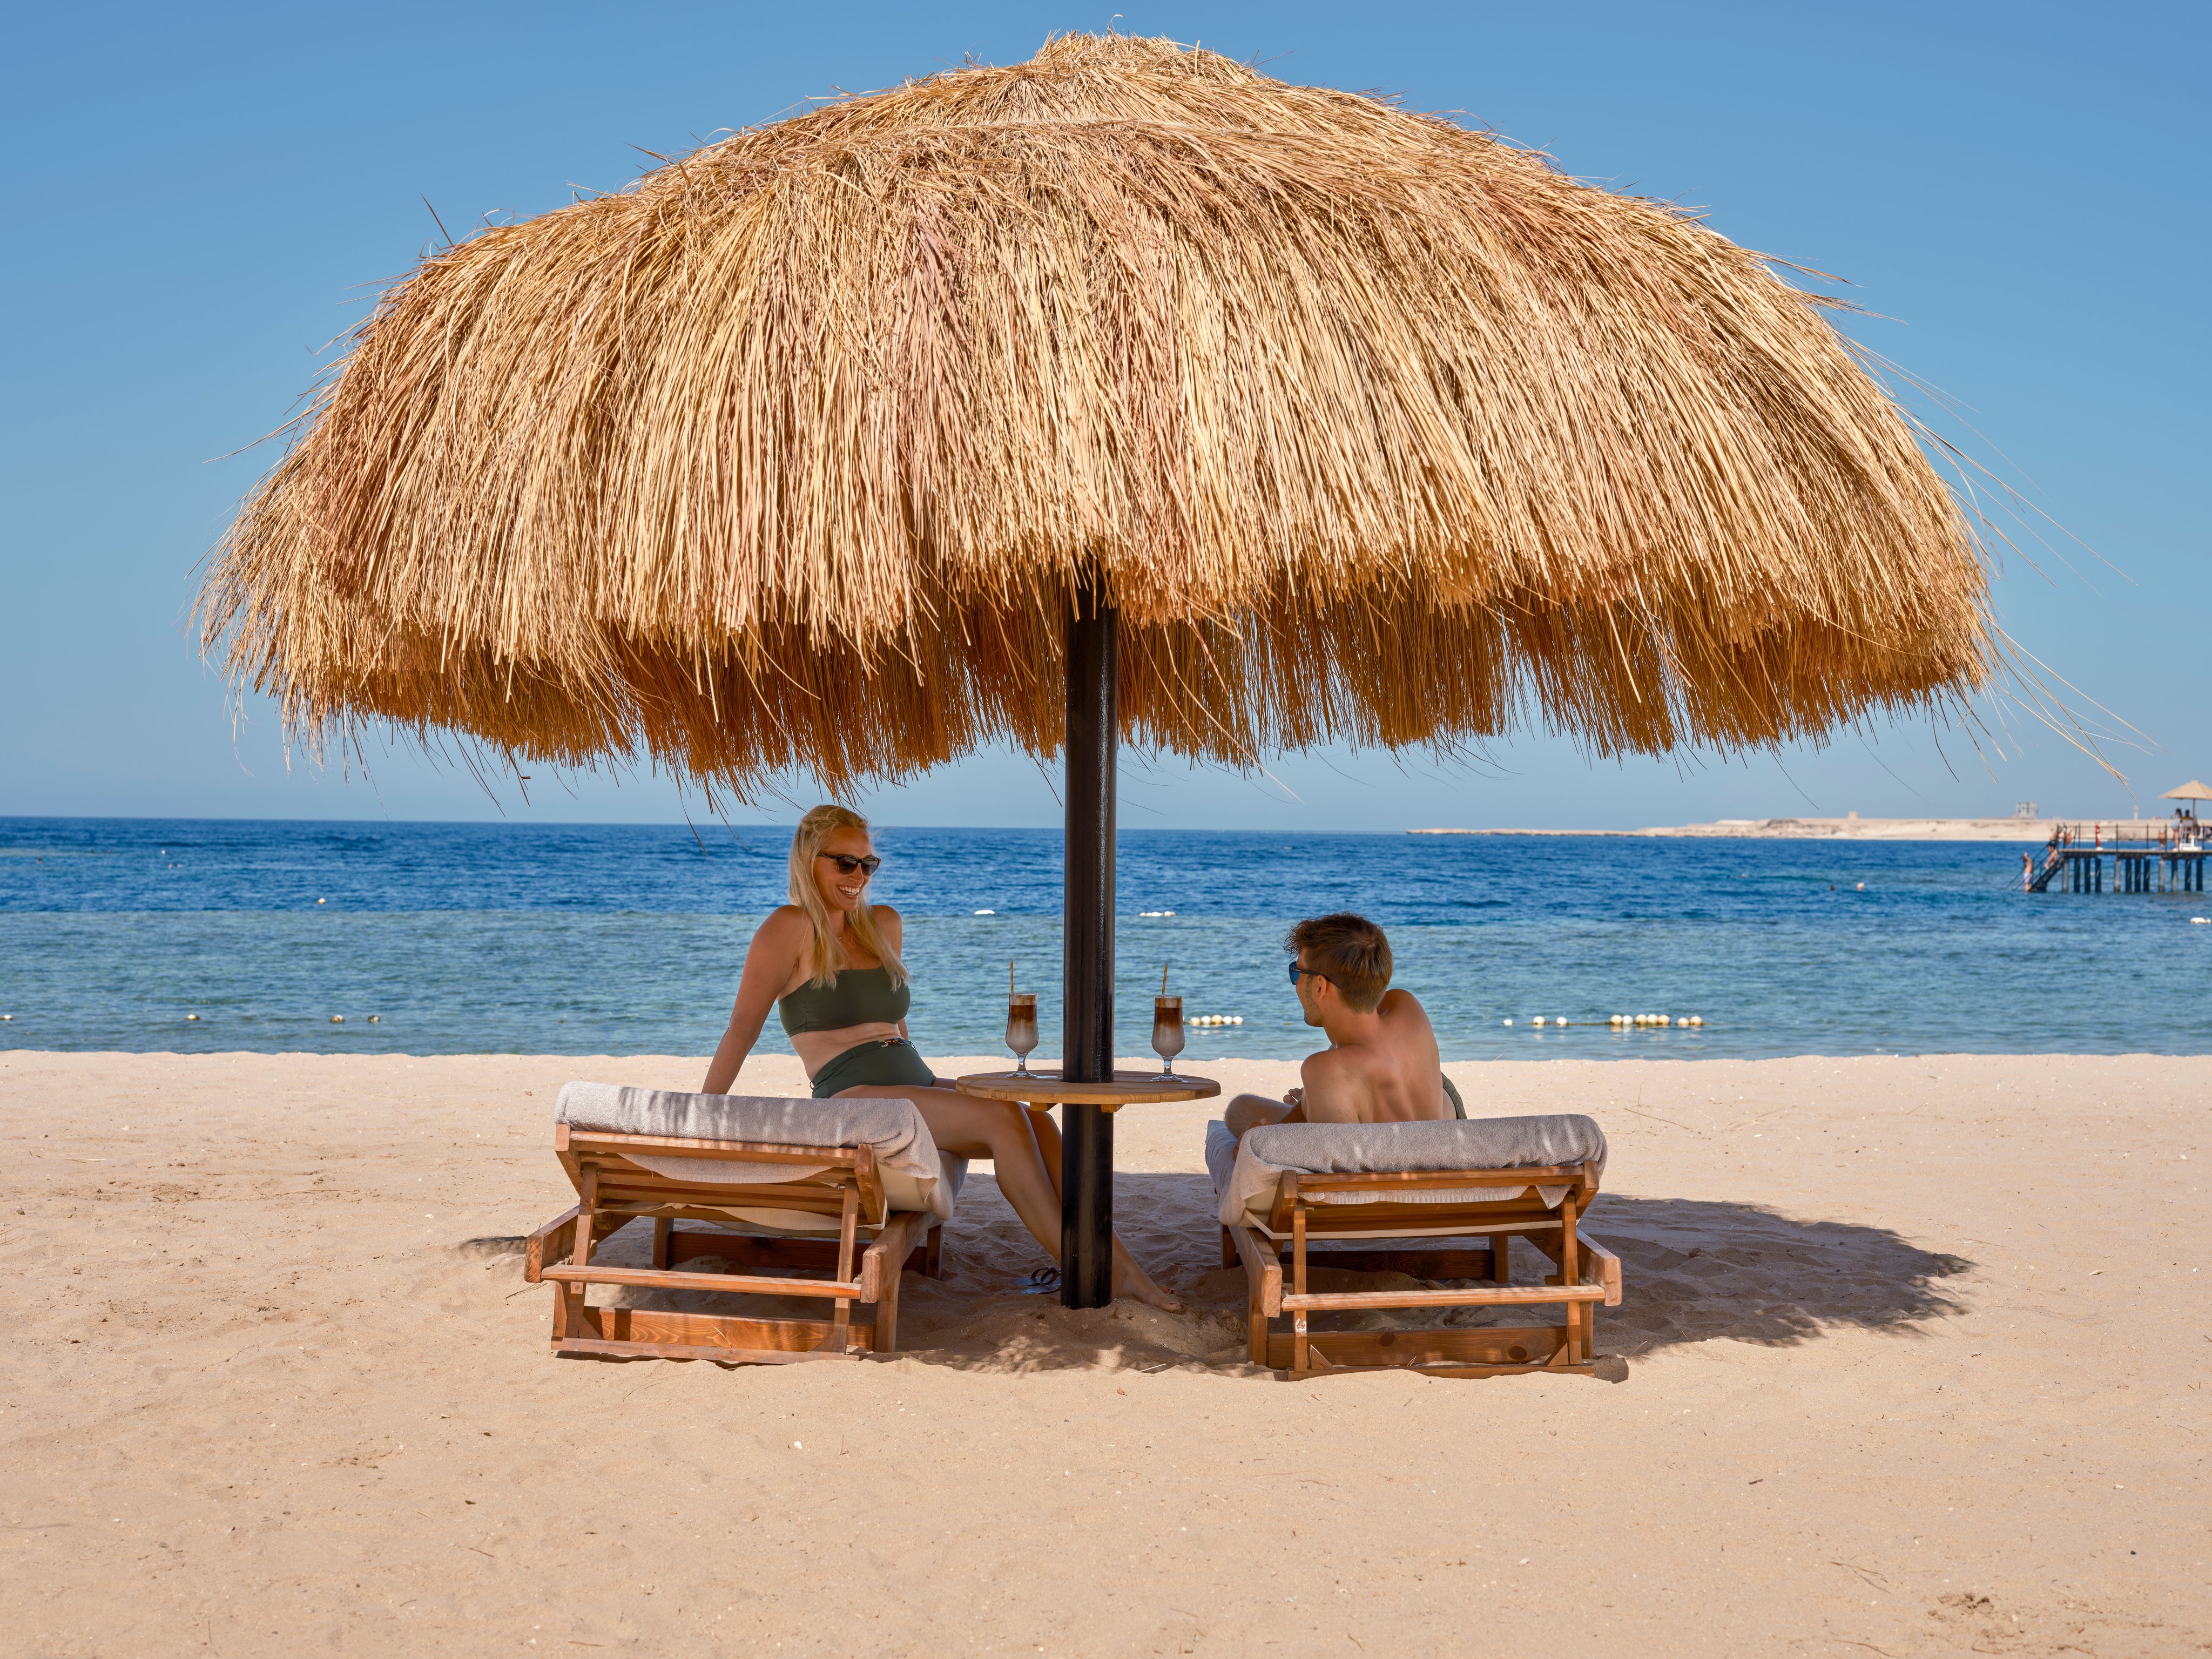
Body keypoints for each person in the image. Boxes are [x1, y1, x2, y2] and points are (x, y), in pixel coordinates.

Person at [702, 804, 1181, 1310]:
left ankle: (1113, 1260)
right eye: (845, 863)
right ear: (808, 860)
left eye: (868, 864)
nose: (858, 876)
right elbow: (741, 1029)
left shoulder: (882, 924)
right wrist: (702, 1112)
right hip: (852, 1094)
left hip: (912, 1078)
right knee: (1002, 1119)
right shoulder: (789, 927)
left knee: (1036, 1118)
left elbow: (894, 1026)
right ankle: (1100, 1270)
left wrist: (929, 1084)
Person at [1223, 912, 1460, 1140]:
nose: (1295, 984)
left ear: (1319, 986)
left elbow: (1331, 1166)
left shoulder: (1324, 1069)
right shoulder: (1407, 1005)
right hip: (1445, 1136)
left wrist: (1260, 1143)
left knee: (1240, 1108)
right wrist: (1313, 1099)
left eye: (1297, 972)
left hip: (1385, 1172)